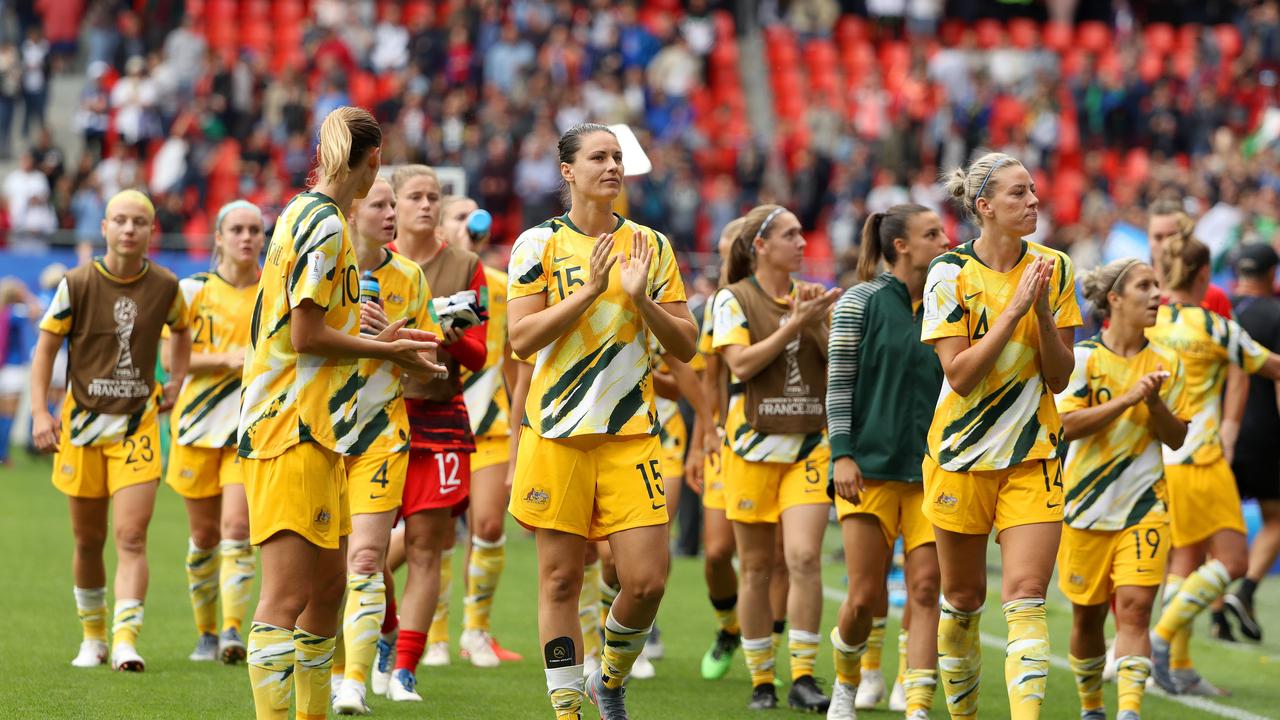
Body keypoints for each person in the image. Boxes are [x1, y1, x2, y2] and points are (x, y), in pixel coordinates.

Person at [235, 106, 441, 720]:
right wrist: (383, 348)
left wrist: (387, 347)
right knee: (287, 594)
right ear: (373, 160)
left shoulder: (307, 214)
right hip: (287, 425)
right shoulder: (323, 225)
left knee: (328, 588)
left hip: (322, 428)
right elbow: (304, 334)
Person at [507, 122, 697, 719]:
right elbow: (520, 339)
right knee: (561, 582)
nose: (613, 166)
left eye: (618, 157)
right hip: (556, 437)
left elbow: (687, 345)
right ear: (568, 171)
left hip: (629, 437)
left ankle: (608, 680)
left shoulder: (651, 245)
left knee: (645, 583)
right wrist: (588, 291)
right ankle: (568, 710)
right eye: (599, 157)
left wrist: (641, 300)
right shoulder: (536, 245)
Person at [921, 152, 1081, 720]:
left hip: (1033, 454)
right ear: (984, 207)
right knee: (963, 602)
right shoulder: (948, 273)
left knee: (1027, 599)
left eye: (1034, 190)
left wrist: (1038, 312)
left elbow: (1060, 376)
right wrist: (1014, 312)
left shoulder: (1054, 267)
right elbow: (959, 376)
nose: (1034, 200)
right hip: (960, 459)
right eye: (1018, 194)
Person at [29, 189, 192, 672]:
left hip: (137, 427)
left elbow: (182, 329)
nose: (128, 229)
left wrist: (177, 380)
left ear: (151, 230)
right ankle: (93, 636)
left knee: (132, 536)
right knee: (87, 541)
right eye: (119, 220)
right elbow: (45, 349)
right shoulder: (77, 283)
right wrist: (40, 412)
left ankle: (125, 639)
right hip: (80, 429)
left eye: (138, 221)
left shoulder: (165, 285)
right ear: (103, 228)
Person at [711, 203, 841, 712]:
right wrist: (794, 324)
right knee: (757, 568)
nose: (802, 242)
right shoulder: (732, 299)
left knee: (805, 558)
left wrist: (822, 324)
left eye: (802, 233)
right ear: (760, 246)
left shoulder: (811, 296)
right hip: (751, 445)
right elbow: (739, 363)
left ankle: (804, 675)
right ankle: (761, 679)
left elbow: (835, 364)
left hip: (809, 442)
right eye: (790, 234)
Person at [825, 204, 948, 720]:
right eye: (932, 233)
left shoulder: (954, 304)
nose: (946, 240)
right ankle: (847, 686)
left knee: (925, 589)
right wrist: (842, 454)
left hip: (932, 474)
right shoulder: (860, 301)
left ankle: (917, 704)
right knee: (864, 597)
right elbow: (838, 383)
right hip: (868, 471)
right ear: (901, 245)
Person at [1144, 233, 1280, 696]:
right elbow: (1270, 366)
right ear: (1205, 274)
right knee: (1234, 560)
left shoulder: (1151, 322)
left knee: (1184, 557)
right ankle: (1161, 639)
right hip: (1202, 456)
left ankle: (1179, 668)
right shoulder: (1215, 327)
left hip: (1158, 459)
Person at [1057, 259, 1190, 720]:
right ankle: (1092, 706)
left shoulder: (1168, 363)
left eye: (1158, 285)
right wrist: (1129, 399)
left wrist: (1153, 404)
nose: (1158, 294)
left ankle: (1129, 712)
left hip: (1145, 506)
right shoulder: (1082, 359)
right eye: (1144, 286)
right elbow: (1064, 425)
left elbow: (1176, 437)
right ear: (1114, 298)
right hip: (1085, 508)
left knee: (1134, 611)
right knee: (1087, 618)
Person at [331, 176, 443, 714]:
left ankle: (354, 682)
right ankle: (331, 669)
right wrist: (362, 340)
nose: (391, 213)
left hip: (382, 433)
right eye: (379, 204)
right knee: (326, 567)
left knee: (368, 556)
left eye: (392, 204)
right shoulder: (323, 270)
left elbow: (430, 365)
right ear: (352, 212)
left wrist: (400, 348)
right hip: (323, 432)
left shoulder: (410, 276)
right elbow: (294, 346)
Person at [385, 165, 489, 701]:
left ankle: (405, 667)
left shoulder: (467, 265)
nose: (425, 205)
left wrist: (449, 338)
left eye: (434, 197)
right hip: (378, 417)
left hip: (440, 420)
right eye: (415, 197)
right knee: (367, 553)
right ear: (394, 204)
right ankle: (382, 631)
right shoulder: (372, 262)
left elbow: (481, 352)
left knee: (427, 549)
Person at [423, 194, 523, 668]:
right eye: (460, 216)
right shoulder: (421, 278)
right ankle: (436, 636)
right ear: (442, 226)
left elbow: (509, 362)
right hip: (442, 418)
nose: (472, 223)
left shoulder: (501, 287)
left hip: (490, 424)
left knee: (487, 526)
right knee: (439, 534)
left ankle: (476, 632)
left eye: (475, 216)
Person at [164, 200, 263, 665]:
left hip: (251, 429)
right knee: (203, 538)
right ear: (218, 238)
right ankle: (204, 631)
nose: (247, 238)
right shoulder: (192, 290)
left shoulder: (274, 291)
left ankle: (230, 630)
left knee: (238, 529)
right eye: (237, 229)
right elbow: (170, 361)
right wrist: (226, 360)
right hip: (196, 426)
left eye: (255, 230)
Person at [1224, 243, 1280, 642]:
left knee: (1215, 525)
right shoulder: (1277, 314)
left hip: (1218, 431)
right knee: (1276, 517)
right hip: (1265, 432)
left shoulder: (1218, 309)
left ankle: (1212, 610)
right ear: (1272, 274)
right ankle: (1245, 590)